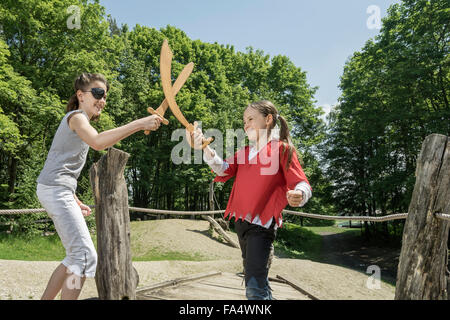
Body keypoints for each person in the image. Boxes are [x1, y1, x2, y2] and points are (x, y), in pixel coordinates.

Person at [36, 73, 163, 300]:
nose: (102, 100)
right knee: (84, 258)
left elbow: (61, 164)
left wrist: (73, 197)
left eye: (105, 96)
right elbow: (98, 143)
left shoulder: (78, 120)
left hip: (57, 189)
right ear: (80, 95)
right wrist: (140, 123)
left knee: (74, 257)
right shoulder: (76, 117)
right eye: (98, 93)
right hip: (55, 190)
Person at [189, 100, 312, 300]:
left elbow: (301, 181)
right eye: (244, 121)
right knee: (256, 279)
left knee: (254, 287)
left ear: (268, 119)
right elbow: (223, 168)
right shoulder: (245, 152)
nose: (245, 124)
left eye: (250, 119)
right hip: (241, 224)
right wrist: (204, 147)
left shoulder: (283, 149)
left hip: (262, 225)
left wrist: (300, 193)